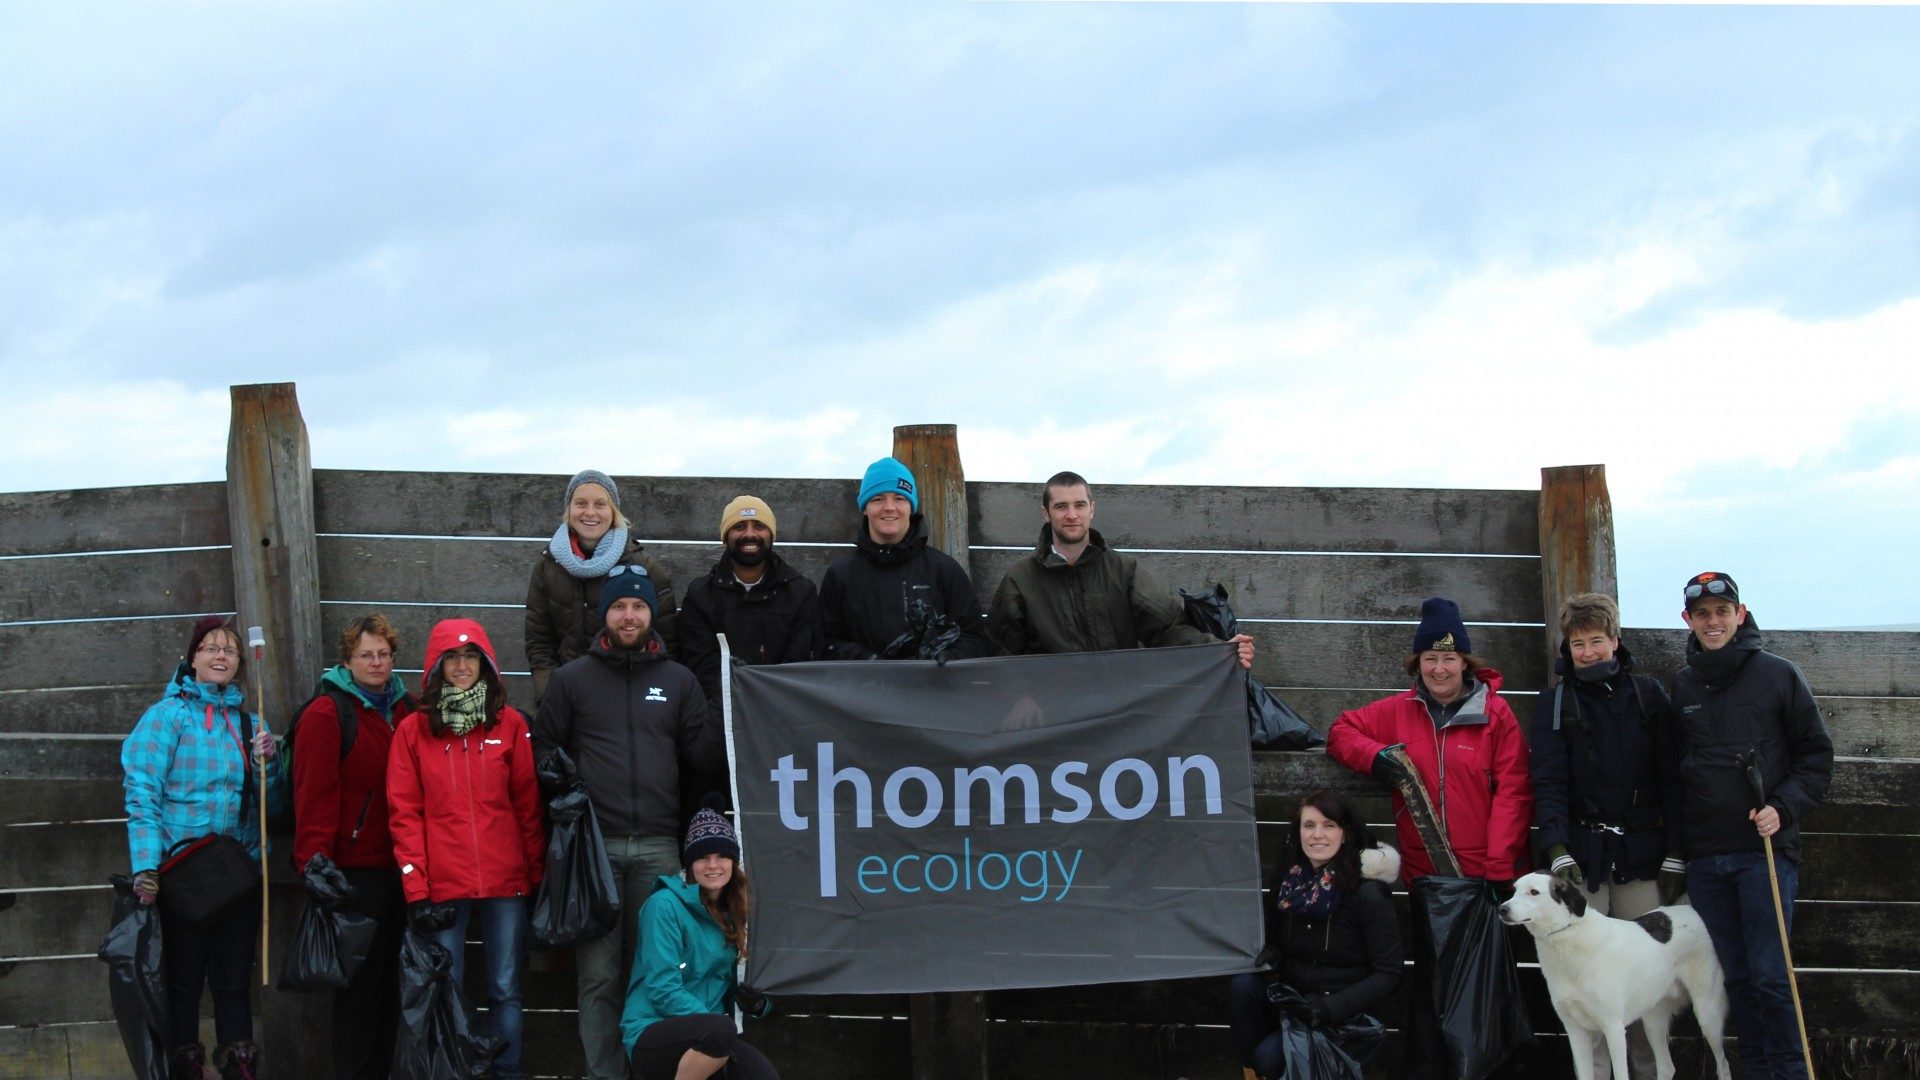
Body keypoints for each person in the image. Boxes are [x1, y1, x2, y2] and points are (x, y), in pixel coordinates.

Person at [1324, 596, 1533, 1080]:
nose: (1440, 669)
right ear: (1418, 663)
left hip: (1485, 884)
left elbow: (1514, 794)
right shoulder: (1398, 711)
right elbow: (1341, 730)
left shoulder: (1496, 716)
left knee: (1486, 998)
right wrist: (1377, 758)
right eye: (1431, 659)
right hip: (1428, 884)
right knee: (1432, 993)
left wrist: (1499, 870)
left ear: (1466, 662)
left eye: (1449, 658)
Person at [533, 565, 724, 1080]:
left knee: (660, 975)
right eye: (619, 606)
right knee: (598, 977)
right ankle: (605, 1074)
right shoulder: (573, 680)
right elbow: (543, 752)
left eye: (638, 606)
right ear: (605, 613)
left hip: (661, 851)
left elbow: (700, 756)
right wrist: (567, 800)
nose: (629, 615)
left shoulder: (678, 680)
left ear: (651, 614)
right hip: (592, 854)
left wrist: (725, 697)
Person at [1670, 572, 1832, 1080]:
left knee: (1769, 975)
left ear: (1740, 615)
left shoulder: (1778, 674)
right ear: (1688, 621)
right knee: (1737, 978)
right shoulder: (1683, 686)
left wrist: (1782, 807)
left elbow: (1816, 757)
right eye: (1703, 614)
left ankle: (1790, 1072)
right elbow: (1674, 771)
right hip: (1706, 858)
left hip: (1763, 851)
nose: (1713, 621)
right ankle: (1758, 1070)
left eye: (1723, 611)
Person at [121, 615, 286, 1080]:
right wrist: (146, 867)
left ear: (239, 663)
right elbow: (142, 792)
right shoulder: (165, 718)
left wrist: (268, 765)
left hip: (235, 875)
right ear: (192, 658)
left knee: (234, 982)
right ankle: (186, 1065)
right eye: (211, 648)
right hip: (181, 876)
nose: (220, 656)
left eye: (230, 650)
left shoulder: (250, 722)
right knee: (183, 982)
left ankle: (240, 1064)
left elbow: (270, 807)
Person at [1530, 592, 1683, 1079]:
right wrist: (1556, 850)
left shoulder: (1649, 696)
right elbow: (1549, 781)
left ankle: (1646, 1070)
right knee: (1582, 981)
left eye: (1597, 641)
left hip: (1640, 856)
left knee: (1644, 977)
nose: (1589, 652)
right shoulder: (1555, 704)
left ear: (1615, 642)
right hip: (1582, 860)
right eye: (1579, 644)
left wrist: (1677, 851)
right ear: (1567, 648)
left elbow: (1672, 778)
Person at [386, 619, 545, 1080]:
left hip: (505, 880)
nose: (461, 666)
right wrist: (416, 887)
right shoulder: (413, 732)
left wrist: (533, 877)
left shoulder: (510, 725)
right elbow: (404, 813)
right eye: (451, 658)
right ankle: (455, 1071)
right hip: (443, 883)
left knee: (504, 987)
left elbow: (527, 808)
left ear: (487, 665)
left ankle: (507, 1072)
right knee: (448, 986)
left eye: (470, 657)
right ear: (436, 668)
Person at [288, 612, 417, 1080]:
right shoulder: (327, 713)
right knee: (357, 995)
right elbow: (314, 795)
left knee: (393, 988)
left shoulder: (408, 709)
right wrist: (316, 865)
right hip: (352, 875)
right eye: (366, 654)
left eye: (384, 654)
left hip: (401, 871)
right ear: (348, 660)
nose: (377, 662)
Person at [986, 470, 1254, 667]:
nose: (1071, 515)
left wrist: (1220, 650)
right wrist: (1023, 699)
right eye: (1061, 507)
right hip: (1053, 705)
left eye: (1079, 505)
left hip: (1118, 699)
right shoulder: (1020, 579)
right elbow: (1001, 653)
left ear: (1092, 509)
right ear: (1046, 513)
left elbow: (1167, 628)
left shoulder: (1123, 570)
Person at [1226, 789, 1401, 1080]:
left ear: (1344, 834)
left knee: (1269, 1056)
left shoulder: (1369, 894)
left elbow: (1389, 974)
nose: (1317, 834)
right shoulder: (1289, 883)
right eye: (1309, 825)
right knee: (1241, 987)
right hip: (1296, 1004)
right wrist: (1273, 952)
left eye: (1328, 825)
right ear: (1299, 833)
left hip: (1345, 1015)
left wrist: (1330, 1008)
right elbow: (1282, 943)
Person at [621, 798, 777, 1080]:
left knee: (762, 1074)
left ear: (733, 861)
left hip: (709, 1036)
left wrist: (757, 1005)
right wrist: (714, 1024)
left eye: (722, 856)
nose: (713, 865)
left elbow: (724, 987)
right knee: (721, 1031)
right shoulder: (664, 905)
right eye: (703, 857)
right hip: (652, 1032)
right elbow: (662, 989)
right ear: (690, 864)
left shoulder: (733, 912)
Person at [525, 468, 678, 701]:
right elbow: (539, 642)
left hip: (628, 694)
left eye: (600, 504)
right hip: (568, 693)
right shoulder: (548, 566)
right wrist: (551, 696)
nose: (590, 512)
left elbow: (666, 641)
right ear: (569, 509)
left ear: (613, 511)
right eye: (581, 503)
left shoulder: (644, 566)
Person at [819, 456, 992, 662]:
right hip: (862, 689)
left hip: (931, 689)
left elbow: (975, 637)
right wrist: (868, 661)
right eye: (878, 499)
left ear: (911, 507)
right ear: (865, 508)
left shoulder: (944, 570)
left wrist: (944, 658)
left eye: (899, 498)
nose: (889, 507)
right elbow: (825, 641)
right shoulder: (840, 575)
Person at [677, 494, 824, 705]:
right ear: (726, 536)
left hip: (784, 708)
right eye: (739, 527)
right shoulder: (701, 595)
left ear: (771, 535)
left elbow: (800, 663)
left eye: (758, 526)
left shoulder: (801, 593)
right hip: (722, 709)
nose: (749, 534)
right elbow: (702, 666)